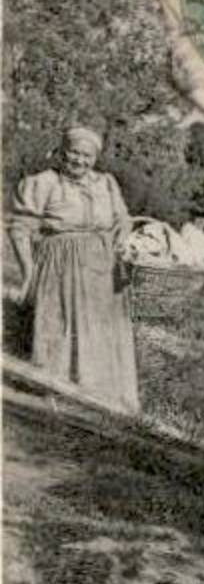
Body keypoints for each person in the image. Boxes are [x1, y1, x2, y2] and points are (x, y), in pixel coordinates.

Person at [5, 125, 140, 412]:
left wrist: (121, 239)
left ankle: (105, 398)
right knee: (61, 326)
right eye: (73, 153)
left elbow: (123, 219)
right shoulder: (42, 183)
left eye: (86, 156)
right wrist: (29, 273)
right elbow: (20, 230)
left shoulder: (106, 183)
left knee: (104, 330)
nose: (79, 161)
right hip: (60, 266)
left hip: (104, 268)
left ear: (95, 158)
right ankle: (58, 393)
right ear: (62, 152)